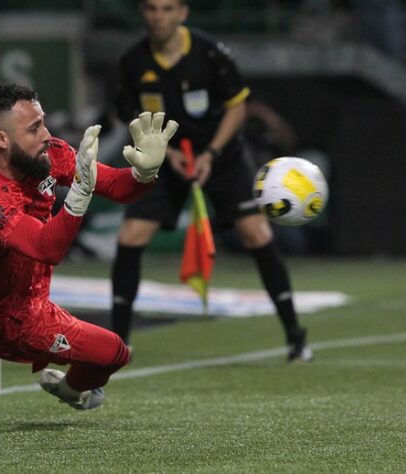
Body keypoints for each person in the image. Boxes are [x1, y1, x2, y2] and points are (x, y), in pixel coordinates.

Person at [0, 83, 178, 409]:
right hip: (4, 320)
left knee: (108, 355)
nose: (47, 134)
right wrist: (78, 196)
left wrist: (145, 171)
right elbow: (48, 249)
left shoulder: (45, 154)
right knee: (114, 352)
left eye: (42, 121)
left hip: (25, 291)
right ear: (1, 139)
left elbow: (115, 186)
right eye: (34, 128)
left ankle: (71, 389)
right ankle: (76, 389)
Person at [110, 0, 312, 362]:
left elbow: (237, 106)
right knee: (130, 236)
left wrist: (211, 155)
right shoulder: (133, 61)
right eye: (152, 9)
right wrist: (163, 153)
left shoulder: (211, 54)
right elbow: (129, 113)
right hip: (164, 158)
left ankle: (296, 337)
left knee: (256, 234)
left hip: (221, 156)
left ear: (183, 13)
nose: (158, 17)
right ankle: (117, 345)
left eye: (167, 9)